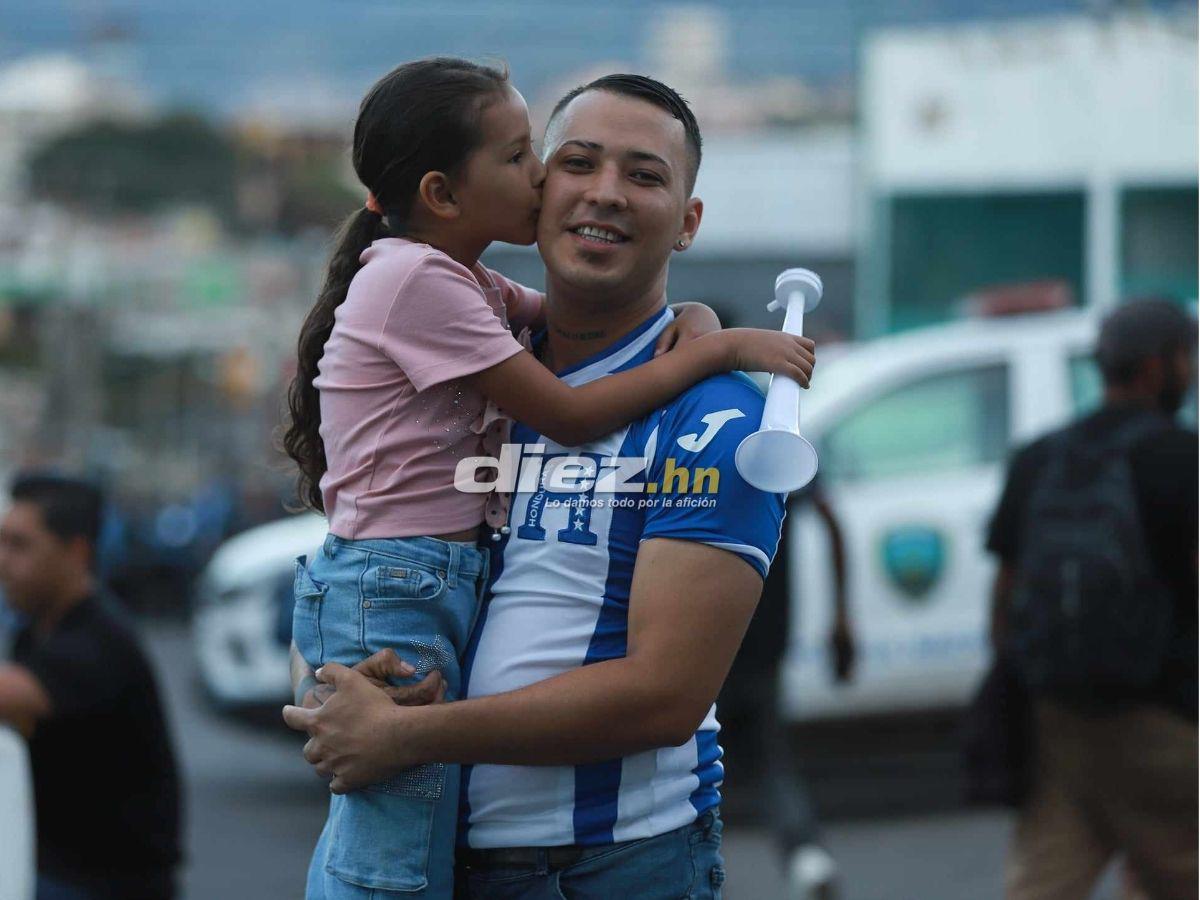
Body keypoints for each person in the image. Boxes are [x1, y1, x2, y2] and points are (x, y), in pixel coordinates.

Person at [281, 58, 815, 900]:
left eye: (644, 176)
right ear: (536, 189)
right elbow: (365, 570)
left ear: (687, 223)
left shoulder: (713, 422)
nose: (604, 191)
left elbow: (664, 697)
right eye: (575, 161)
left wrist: (407, 737)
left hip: (605, 871)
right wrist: (337, 687)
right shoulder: (474, 374)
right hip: (450, 860)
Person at [986, 298, 1198, 900]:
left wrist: (1023, 695)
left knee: (1043, 884)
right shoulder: (1184, 459)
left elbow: (1004, 598)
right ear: (1161, 367)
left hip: (1058, 722)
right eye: (1189, 357)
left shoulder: (1038, 457)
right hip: (1164, 725)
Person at [0, 473, 182, 900]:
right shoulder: (35, 630)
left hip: (105, 884)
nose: (2, 559)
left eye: (19, 545)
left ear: (76, 552)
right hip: (57, 867)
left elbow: (13, 697)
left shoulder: (100, 638)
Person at [718, 475, 854, 900]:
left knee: (681, 764)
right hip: (765, 633)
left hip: (701, 639)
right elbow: (830, 518)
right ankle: (807, 856)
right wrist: (842, 616)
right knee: (771, 760)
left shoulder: (681, 436)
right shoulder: (776, 437)